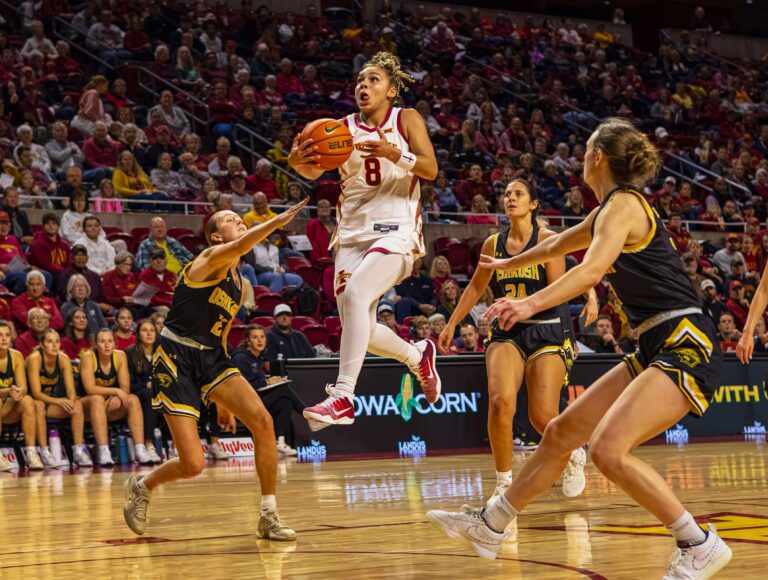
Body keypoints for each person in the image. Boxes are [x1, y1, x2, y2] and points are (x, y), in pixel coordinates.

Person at [427, 118, 732, 578]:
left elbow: (589, 271)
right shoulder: (608, 209)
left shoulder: (625, 205)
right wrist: (509, 263)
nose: (581, 158)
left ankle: (698, 543)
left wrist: (528, 303)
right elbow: (557, 246)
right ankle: (492, 525)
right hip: (654, 342)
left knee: (608, 450)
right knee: (561, 433)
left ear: (597, 157)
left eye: (585, 150)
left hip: (685, 340)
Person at [121, 199, 307, 539]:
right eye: (229, 219)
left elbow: (220, 334)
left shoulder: (240, 283)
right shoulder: (207, 259)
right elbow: (241, 245)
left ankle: (268, 514)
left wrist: (221, 399)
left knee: (263, 421)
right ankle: (142, 486)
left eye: (238, 217)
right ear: (216, 236)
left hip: (212, 357)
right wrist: (276, 221)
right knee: (193, 464)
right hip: (175, 356)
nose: (238, 219)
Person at [288, 52, 441, 427]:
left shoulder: (405, 119)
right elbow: (312, 169)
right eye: (360, 80)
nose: (364, 85)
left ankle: (342, 397)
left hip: (397, 230)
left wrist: (395, 153)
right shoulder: (339, 129)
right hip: (351, 235)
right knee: (363, 329)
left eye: (374, 80)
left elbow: (430, 169)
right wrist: (296, 161)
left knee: (357, 295)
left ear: (391, 90)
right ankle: (417, 355)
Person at [437, 179, 593, 504]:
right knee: (500, 403)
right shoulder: (493, 243)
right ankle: (502, 484)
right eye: (507, 194)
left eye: (518, 194)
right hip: (506, 332)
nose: (510, 198)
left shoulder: (547, 239)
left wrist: (524, 306)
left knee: (541, 416)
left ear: (533, 204)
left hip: (545, 329)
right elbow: (476, 286)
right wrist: (453, 322)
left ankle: (575, 451)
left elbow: (558, 292)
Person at [81, 328, 151, 465]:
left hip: (108, 403)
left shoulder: (120, 356)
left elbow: (125, 388)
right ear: (95, 344)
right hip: (86, 405)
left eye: (110, 341)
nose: (106, 345)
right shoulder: (88, 357)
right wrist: (115, 391)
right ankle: (104, 451)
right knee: (97, 399)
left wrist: (118, 396)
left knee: (133, 399)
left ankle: (140, 449)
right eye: (102, 341)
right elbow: (90, 389)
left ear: (115, 344)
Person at [26, 329, 94, 468]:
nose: (54, 345)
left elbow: (70, 390)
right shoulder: (35, 359)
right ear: (42, 344)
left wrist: (71, 401)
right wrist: (59, 401)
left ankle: (78, 451)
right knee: (39, 405)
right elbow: (36, 393)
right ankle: (44, 452)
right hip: (30, 401)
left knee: (77, 406)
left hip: (49, 401)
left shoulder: (63, 358)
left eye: (57, 341)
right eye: (49, 342)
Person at [233, 325, 304, 456]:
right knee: (282, 388)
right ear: (248, 341)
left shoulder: (258, 357)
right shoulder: (240, 358)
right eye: (255, 337)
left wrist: (270, 381)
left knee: (285, 403)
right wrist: (268, 382)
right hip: (244, 404)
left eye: (262, 337)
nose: (260, 340)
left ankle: (279, 442)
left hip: (256, 400)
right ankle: (307, 413)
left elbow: (257, 382)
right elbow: (244, 387)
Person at [0, 320, 44, 470]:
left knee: (27, 400)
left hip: (9, 405)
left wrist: (18, 393)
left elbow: (23, 387)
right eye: (0, 335)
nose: (4, 338)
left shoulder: (16, 355)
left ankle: (31, 453)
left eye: (7, 335)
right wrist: (8, 391)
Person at [125, 319, 163, 465]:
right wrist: (145, 384)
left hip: (158, 393)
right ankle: (149, 444)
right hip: (137, 394)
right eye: (144, 330)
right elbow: (128, 385)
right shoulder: (129, 353)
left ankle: (175, 445)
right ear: (138, 334)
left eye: (152, 330)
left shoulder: (162, 352)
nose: (148, 334)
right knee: (149, 394)